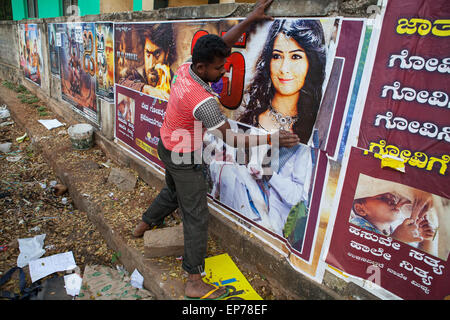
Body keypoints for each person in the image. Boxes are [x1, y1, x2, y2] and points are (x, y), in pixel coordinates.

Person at [132, 0, 300, 300]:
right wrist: (274, 140)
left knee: (173, 189)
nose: (224, 72)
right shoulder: (203, 101)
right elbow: (233, 141)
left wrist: (250, 19)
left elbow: (219, 45)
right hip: (185, 155)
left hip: (166, 145)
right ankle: (194, 280)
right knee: (196, 214)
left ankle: (144, 224)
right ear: (202, 68)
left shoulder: (187, 68)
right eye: (219, 68)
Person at [208, 19, 326, 236]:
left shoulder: (315, 132)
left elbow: (300, 199)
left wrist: (269, 173)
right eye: (277, 56)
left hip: (274, 232)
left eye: (296, 56)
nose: (284, 68)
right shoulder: (249, 115)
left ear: (312, 62)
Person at [351, 175, 438, 255]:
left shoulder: (397, 230)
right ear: (360, 209)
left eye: (394, 199)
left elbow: (421, 263)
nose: (393, 202)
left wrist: (426, 238)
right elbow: (367, 255)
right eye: (383, 198)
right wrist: (397, 238)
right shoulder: (356, 225)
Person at [118, 23, 175, 100]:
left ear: (167, 53)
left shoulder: (174, 80)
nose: (151, 64)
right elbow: (121, 84)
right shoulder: (136, 74)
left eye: (157, 54)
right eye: (148, 53)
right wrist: (145, 89)